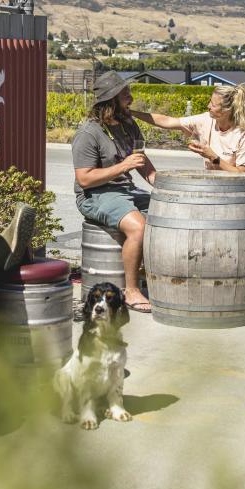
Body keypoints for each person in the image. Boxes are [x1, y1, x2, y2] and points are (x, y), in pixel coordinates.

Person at [72, 72, 157, 313]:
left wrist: (161, 185)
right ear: (110, 101)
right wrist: (122, 166)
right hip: (95, 195)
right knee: (138, 227)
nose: (130, 97)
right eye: (125, 94)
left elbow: (141, 161)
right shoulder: (88, 134)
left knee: (166, 216)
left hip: (124, 190)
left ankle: (148, 272)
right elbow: (85, 179)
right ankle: (131, 290)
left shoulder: (128, 125)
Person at [131, 83, 245, 172]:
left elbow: (243, 174)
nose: (208, 106)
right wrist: (132, 113)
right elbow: (167, 121)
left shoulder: (244, 136)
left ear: (226, 110)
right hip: (211, 186)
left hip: (233, 194)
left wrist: (213, 157)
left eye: (213, 104)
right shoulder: (206, 120)